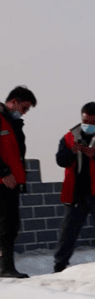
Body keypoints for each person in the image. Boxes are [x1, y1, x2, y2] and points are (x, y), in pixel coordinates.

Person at [54, 102, 95, 273]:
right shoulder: (69, 138)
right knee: (67, 232)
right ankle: (59, 267)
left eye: (92, 122)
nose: (88, 125)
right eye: (86, 121)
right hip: (75, 194)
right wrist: (72, 152)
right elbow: (60, 160)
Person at [0, 86, 37, 278]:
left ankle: (6, 266)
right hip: (2, 180)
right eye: (24, 108)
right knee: (5, 225)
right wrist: (4, 171)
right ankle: (5, 268)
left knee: (11, 225)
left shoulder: (14, 125)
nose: (24, 113)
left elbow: (17, 156)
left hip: (11, 183)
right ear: (13, 102)